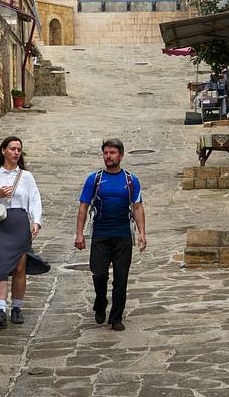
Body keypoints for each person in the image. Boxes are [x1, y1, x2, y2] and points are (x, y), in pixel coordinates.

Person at [74, 138, 146, 331]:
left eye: (112, 153)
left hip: (122, 234)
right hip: (100, 234)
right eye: (106, 153)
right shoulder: (94, 179)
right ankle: (100, 302)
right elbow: (83, 206)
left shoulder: (130, 180)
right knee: (99, 275)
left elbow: (137, 207)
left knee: (121, 279)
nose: (108, 156)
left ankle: (116, 318)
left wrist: (142, 233)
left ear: (120, 156)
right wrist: (79, 234)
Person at [0, 136, 50, 328]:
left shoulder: (26, 177)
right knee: (0, 267)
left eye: (19, 149)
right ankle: (0, 309)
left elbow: (35, 200)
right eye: (12, 149)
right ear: (3, 151)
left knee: (20, 268)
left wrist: (36, 221)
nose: (16, 152)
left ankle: (17, 307)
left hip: (19, 224)